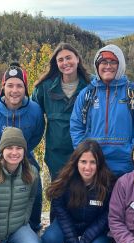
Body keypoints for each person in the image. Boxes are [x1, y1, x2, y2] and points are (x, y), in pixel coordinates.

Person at [0, 62, 45, 233]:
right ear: (3, 87)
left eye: (19, 86)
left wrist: (23, 154)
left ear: (25, 88)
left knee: (36, 187)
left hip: (23, 157)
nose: (14, 90)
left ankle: (32, 228)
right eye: (10, 85)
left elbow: (37, 133)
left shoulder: (35, 110)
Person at [70, 44, 134, 178]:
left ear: (120, 65)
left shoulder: (133, 92)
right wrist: (85, 155)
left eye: (113, 62)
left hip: (126, 166)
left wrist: (132, 152)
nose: (108, 66)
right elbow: (76, 126)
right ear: (97, 65)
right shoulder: (87, 94)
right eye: (103, 62)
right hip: (94, 166)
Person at [38, 140, 114, 243]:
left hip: (95, 227)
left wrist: (85, 239)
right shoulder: (65, 180)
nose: (87, 167)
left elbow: (107, 216)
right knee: (49, 239)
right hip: (69, 223)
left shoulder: (108, 183)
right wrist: (72, 239)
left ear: (99, 163)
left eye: (93, 162)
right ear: (76, 162)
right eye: (83, 161)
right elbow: (60, 210)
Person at [32, 42, 91, 180]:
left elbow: (113, 89)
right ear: (56, 64)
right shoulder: (44, 88)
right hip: (56, 157)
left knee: (83, 198)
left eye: (68, 57)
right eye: (60, 60)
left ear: (77, 58)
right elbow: (31, 112)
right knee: (59, 198)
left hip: (85, 155)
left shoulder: (91, 84)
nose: (65, 62)